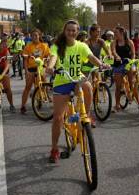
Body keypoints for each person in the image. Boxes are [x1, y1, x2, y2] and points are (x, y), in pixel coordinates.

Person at [45, 19, 108, 163]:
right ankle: (54, 149)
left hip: (76, 78)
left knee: (88, 86)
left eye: (74, 30)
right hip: (62, 81)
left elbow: (91, 57)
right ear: (65, 31)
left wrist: (101, 64)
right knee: (58, 119)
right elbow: (53, 57)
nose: (71, 32)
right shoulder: (58, 45)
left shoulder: (81, 46)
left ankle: (85, 114)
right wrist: (50, 67)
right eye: (69, 30)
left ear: (77, 31)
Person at [21, 28, 50, 114]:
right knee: (28, 87)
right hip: (31, 68)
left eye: (36, 35)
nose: (34, 37)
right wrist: (26, 71)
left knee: (44, 83)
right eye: (32, 36)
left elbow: (49, 56)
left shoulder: (44, 45)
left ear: (39, 36)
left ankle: (44, 95)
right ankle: (23, 106)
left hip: (41, 67)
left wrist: (47, 60)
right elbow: (25, 59)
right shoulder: (28, 46)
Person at [111, 26, 137, 112]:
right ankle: (117, 104)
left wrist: (132, 61)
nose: (115, 34)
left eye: (116, 33)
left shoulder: (129, 42)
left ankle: (130, 94)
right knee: (118, 86)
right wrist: (117, 56)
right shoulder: (114, 42)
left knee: (131, 80)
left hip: (127, 63)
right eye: (114, 33)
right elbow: (113, 51)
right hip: (118, 64)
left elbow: (133, 53)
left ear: (122, 33)